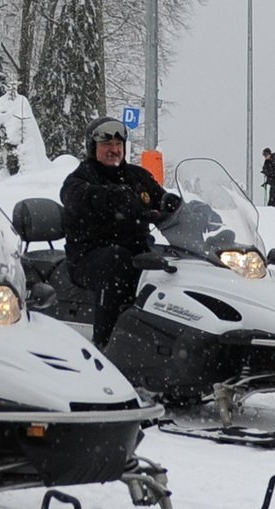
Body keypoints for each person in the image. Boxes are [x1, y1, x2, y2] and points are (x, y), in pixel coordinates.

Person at [60, 116, 180, 349]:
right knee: (117, 260)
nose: (114, 150)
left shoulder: (137, 176)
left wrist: (176, 205)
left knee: (173, 264)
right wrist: (115, 199)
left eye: (118, 144)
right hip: (88, 257)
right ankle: (105, 344)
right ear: (92, 147)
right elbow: (78, 197)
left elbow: (159, 197)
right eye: (107, 145)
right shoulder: (79, 180)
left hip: (136, 251)